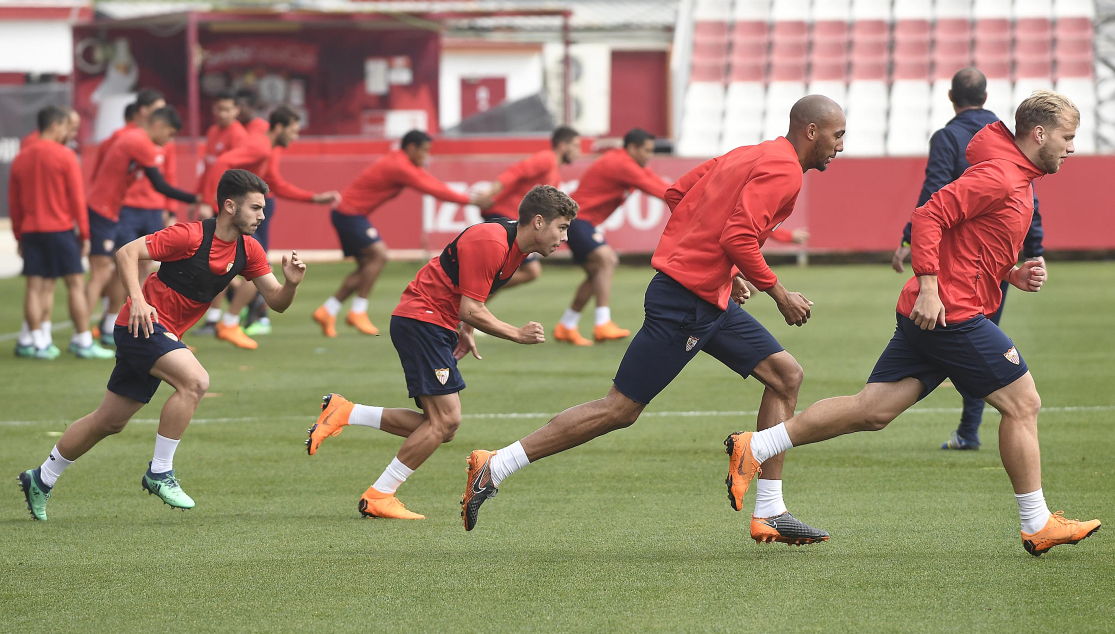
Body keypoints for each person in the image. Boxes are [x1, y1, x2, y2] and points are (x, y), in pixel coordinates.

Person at [729, 91, 1100, 557]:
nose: (1071, 147)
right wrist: (929, 285)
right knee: (1024, 404)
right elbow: (929, 216)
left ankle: (755, 447)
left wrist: (1011, 273)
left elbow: (972, 242)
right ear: (1039, 133)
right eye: (1067, 137)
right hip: (952, 314)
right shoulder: (1001, 175)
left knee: (872, 410)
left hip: (939, 312)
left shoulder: (1015, 175)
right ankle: (1037, 523)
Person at [460, 96, 845, 541]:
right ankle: (496, 464)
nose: (839, 147)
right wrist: (778, 292)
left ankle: (771, 512)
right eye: (837, 136)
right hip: (686, 304)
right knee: (619, 409)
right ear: (811, 131)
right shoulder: (783, 170)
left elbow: (677, 192)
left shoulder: (751, 152)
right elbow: (738, 234)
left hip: (705, 296)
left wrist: (723, 269)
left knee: (785, 376)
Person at [17, 170, 306, 521]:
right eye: (256, 208)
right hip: (141, 326)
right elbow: (126, 253)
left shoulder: (249, 249)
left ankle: (41, 478)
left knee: (109, 421)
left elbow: (277, 301)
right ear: (230, 206)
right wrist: (136, 299)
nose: (262, 216)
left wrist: (290, 284)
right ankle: (160, 471)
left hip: (164, 336)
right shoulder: (189, 234)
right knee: (195, 382)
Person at [306, 185, 576, 520]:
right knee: (447, 419)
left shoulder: (515, 248)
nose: (564, 237)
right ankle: (379, 494)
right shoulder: (492, 241)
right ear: (538, 222)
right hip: (423, 320)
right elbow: (470, 307)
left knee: (443, 427)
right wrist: (515, 334)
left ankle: (346, 412)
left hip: (434, 323)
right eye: (562, 227)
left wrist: (467, 329)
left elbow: (468, 295)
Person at [891, 67, 1046, 451]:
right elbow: (1028, 204)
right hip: (983, 265)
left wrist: (910, 242)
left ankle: (969, 432)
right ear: (986, 96)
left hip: (957, 264)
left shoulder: (949, 137)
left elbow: (934, 190)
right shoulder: (1010, 144)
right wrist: (1035, 250)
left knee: (983, 352)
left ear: (951, 97)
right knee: (989, 354)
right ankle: (969, 429)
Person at [311, 130, 492, 338]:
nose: (426, 155)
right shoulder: (400, 166)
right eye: (423, 151)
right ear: (411, 148)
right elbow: (432, 189)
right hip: (349, 214)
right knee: (380, 255)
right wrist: (470, 201)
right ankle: (358, 311)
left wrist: (467, 197)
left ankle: (328, 310)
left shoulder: (401, 162)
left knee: (366, 267)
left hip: (348, 214)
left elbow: (432, 182)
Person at [201, 105, 340, 349]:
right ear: (279, 127)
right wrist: (209, 201)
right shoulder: (262, 146)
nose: (296, 137)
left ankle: (226, 321)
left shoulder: (266, 148)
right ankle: (229, 322)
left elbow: (274, 182)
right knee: (255, 267)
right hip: (237, 215)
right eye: (293, 131)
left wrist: (313, 198)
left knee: (235, 267)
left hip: (239, 212)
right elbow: (223, 161)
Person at [84, 105, 201, 348]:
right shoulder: (140, 142)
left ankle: (106, 327)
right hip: (102, 210)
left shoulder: (134, 139)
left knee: (118, 268)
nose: (169, 141)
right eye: (169, 134)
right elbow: (160, 184)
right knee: (100, 272)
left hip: (109, 210)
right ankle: (82, 337)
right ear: (158, 125)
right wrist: (197, 199)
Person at [9, 106, 113, 360]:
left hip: (32, 230)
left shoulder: (21, 157)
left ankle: (37, 343)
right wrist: (85, 235)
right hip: (60, 229)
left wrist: (18, 235)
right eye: (67, 127)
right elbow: (77, 199)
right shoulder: (65, 156)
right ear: (55, 126)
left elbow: (14, 201)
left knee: (35, 286)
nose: (69, 133)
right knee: (75, 284)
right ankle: (83, 340)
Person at [553, 128, 668, 346]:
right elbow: (660, 191)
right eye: (646, 151)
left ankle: (567, 325)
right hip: (578, 220)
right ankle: (602, 323)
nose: (649, 156)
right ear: (632, 148)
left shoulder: (631, 164)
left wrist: (691, 192)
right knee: (608, 260)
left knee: (597, 274)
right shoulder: (623, 164)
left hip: (580, 221)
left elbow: (663, 185)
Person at [87, 90, 169, 347]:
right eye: (158, 108)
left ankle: (129, 321)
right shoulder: (121, 138)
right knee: (119, 266)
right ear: (144, 111)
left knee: (146, 268)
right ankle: (102, 323)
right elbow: (102, 175)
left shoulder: (164, 137)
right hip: (125, 210)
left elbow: (169, 174)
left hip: (153, 209)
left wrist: (170, 208)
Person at [479, 126, 581, 289]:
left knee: (510, 271)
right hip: (503, 214)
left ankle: (470, 305)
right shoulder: (547, 159)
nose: (579, 152)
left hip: (512, 218)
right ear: (562, 145)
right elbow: (516, 172)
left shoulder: (555, 171)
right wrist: (490, 192)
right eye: (576, 145)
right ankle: (471, 299)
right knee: (530, 270)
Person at [194, 90, 249, 335]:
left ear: (237, 110)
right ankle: (251, 302)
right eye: (219, 109)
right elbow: (207, 170)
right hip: (212, 204)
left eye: (227, 109)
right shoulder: (213, 131)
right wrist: (198, 197)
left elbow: (232, 178)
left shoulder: (238, 135)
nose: (222, 114)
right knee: (215, 260)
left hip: (226, 207)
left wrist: (211, 203)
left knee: (220, 261)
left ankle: (215, 319)